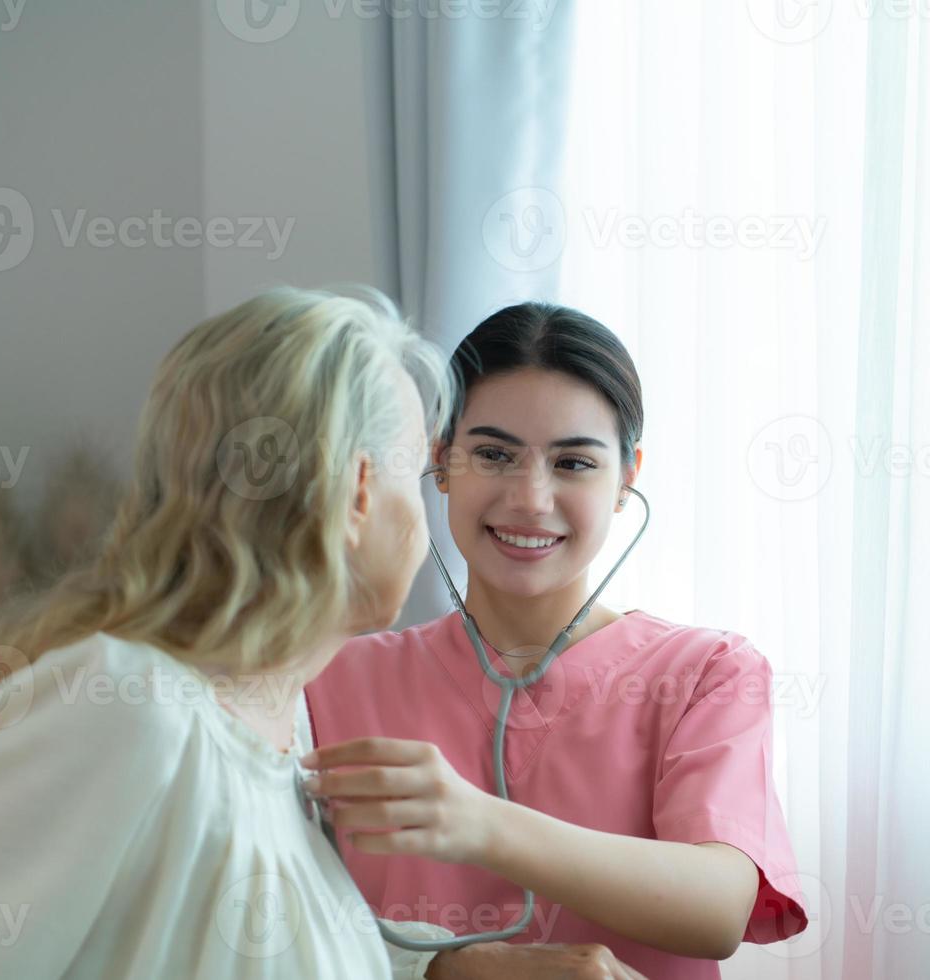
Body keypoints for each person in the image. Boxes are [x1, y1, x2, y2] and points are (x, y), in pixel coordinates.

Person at [0, 286, 449, 978]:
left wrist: (448, 965)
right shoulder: (127, 707)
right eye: (416, 472)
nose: (425, 514)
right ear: (357, 490)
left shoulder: (276, 725)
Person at [301, 303, 809, 980]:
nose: (531, 498)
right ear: (441, 460)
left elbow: (720, 908)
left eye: (573, 463)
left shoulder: (708, 672)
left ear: (626, 480)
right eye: (493, 454)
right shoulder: (332, 674)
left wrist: (482, 826)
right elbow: (279, 917)